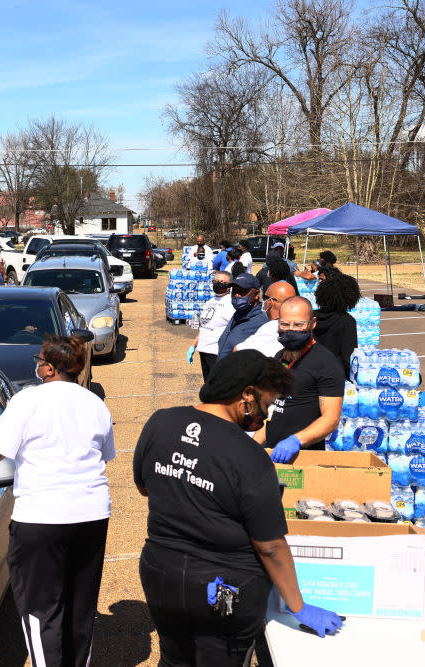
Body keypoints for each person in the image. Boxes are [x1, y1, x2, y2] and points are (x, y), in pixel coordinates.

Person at [134, 350, 343, 666]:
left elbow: (145, 486)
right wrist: (299, 607)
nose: (265, 417)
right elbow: (270, 546)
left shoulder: (161, 422)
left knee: (175, 658)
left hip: (161, 575)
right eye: (266, 405)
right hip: (223, 590)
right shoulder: (249, 456)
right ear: (247, 395)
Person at [0, 335, 115, 667]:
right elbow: (105, 456)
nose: (38, 364)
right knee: (80, 606)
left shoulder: (29, 400)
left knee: (41, 609)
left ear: (48, 367)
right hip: (91, 515)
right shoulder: (95, 404)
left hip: (41, 519)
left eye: (40, 359)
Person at [256, 296, 345, 463]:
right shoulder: (279, 358)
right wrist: (252, 446)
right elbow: (274, 412)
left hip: (304, 457)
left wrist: (296, 440)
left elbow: (331, 419)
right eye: (285, 324)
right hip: (272, 453)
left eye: (299, 325)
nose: (291, 330)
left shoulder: (326, 364)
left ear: (313, 324)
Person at [187, 271, 234, 381]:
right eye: (215, 281)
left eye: (222, 282)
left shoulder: (231, 303)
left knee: (218, 387)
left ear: (229, 285)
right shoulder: (210, 301)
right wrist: (193, 346)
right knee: (208, 385)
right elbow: (204, 326)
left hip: (216, 352)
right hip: (203, 350)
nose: (218, 284)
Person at [313, 273, 361, 379]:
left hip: (309, 373)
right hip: (334, 378)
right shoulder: (347, 321)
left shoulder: (310, 316)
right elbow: (349, 357)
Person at [236, 280, 297, 357]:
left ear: (269, 302)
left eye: (265, 298)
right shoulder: (299, 326)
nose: (264, 301)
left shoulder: (271, 327)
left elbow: (238, 350)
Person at [216, 274, 266, 359]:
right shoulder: (237, 315)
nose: (237, 295)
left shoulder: (262, 323)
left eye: (242, 291)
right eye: (234, 291)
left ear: (257, 294)